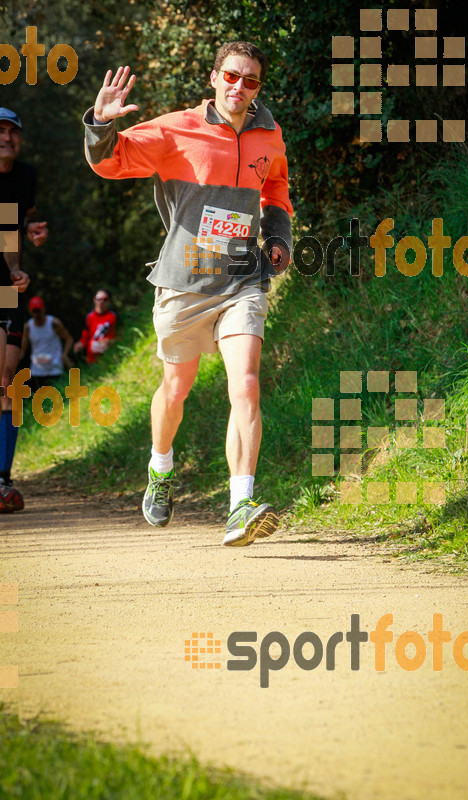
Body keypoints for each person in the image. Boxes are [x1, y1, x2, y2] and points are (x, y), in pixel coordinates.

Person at [83, 41, 292, 545]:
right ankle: (160, 467)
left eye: (251, 81)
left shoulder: (269, 133)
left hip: (243, 275)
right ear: (214, 77)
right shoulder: (177, 128)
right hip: (185, 281)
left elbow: (276, 189)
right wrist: (101, 123)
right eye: (232, 76)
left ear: (258, 86)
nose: (240, 87)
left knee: (245, 383)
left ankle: (240, 504)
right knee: (175, 390)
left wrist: (279, 235)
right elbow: (109, 162)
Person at [0, 108, 48, 513]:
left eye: (13, 131)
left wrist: (16, 268)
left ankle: (3, 480)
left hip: (3, 288)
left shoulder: (23, 177)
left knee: (8, 379)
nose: (7, 137)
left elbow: (10, 224)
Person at [20, 296, 74, 390]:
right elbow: (22, 350)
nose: (37, 314)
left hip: (55, 368)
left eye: (39, 311)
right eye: (34, 311)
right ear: (30, 311)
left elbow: (69, 339)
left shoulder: (54, 323)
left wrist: (64, 355)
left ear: (43, 309)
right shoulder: (28, 327)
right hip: (37, 371)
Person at [73, 289, 116, 363]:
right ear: (94, 299)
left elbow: (121, 335)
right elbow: (85, 337)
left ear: (109, 301)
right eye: (99, 298)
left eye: (105, 299)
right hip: (91, 360)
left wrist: (109, 341)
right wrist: (79, 345)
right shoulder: (89, 317)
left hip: (108, 358)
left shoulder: (113, 316)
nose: (101, 301)